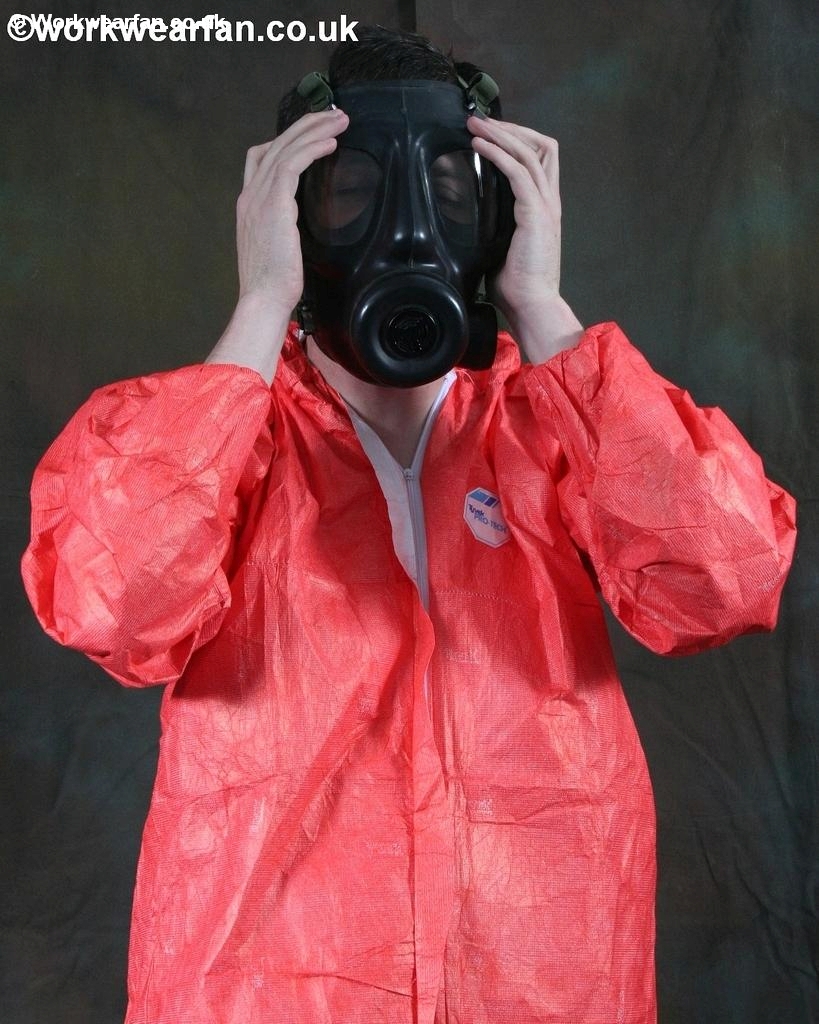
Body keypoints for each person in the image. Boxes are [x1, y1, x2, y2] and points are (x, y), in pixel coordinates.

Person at [21, 26, 796, 1024]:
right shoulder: (215, 438)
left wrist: (545, 311)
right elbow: (114, 606)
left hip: (541, 991)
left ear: (498, 215)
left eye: (448, 191)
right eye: (352, 193)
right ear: (287, 217)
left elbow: (724, 583)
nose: (406, 228)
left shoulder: (556, 421)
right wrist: (261, 308)